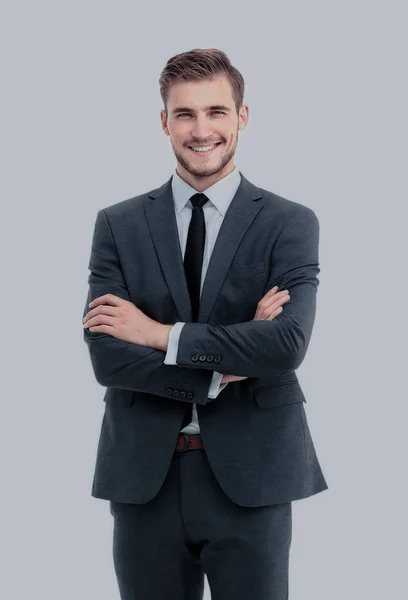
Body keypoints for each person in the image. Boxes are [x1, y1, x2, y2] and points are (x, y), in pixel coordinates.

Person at [82, 47, 328, 600]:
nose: (201, 130)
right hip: (146, 476)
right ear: (164, 121)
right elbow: (107, 356)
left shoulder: (289, 223)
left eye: (216, 112)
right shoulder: (118, 224)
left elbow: (285, 346)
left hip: (253, 476)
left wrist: (157, 334)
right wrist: (223, 368)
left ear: (242, 117)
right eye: (185, 114)